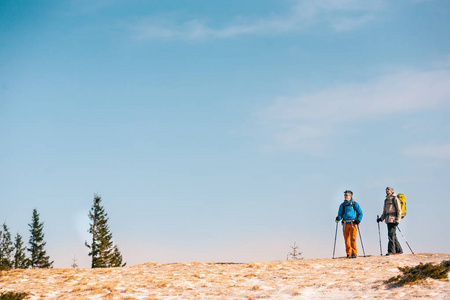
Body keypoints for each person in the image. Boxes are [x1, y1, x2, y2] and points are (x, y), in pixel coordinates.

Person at [335, 190, 363, 258]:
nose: (345, 196)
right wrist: (339, 217)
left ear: (351, 196)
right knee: (346, 239)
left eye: (347, 195)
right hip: (345, 223)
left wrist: (358, 220)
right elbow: (340, 214)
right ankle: (348, 253)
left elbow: (360, 213)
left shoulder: (355, 204)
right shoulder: (342, 205)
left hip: (353, 223)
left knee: (353, 239)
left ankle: (354, 253)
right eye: (345, 195)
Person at [377, 187, 403, 255]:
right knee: (393, 235)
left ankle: (391, 251)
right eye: (386, 190)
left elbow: (399, 210)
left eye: (388, 190)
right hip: (388, 219)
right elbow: (385, 211)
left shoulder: (395, 199)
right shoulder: (386, 200)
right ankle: (399, 250)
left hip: (393, 219)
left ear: (391, 191)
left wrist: (398, 220)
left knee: (391, 235)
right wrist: (381, 219)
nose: (387, 191)